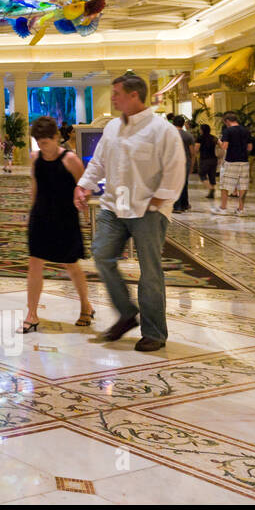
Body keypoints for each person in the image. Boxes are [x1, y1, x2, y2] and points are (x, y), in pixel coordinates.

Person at [74, 73, 186, 352]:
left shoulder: (162, 130)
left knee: (150, 271)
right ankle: (126, 313)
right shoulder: (112, 127)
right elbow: (99, 161)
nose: (112, 98)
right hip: (113, 206)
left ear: (134, 96)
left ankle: (155, 332)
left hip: (149, 208)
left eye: (116, 93)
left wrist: (161, 199)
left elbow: (175, 168)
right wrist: (84, 186)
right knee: (101, 255)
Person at [21, 116, 92, 332]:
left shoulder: (70, 160)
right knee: (35, 263)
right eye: (39, 143)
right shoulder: (36, 158)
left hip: (65, 218)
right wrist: (30, 215)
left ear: (56, 138)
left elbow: (84, 187)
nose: (43, 147)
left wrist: (86, 212)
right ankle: (32, 313)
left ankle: (86, 305)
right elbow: (35, 187)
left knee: (71, 264)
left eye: (46, 142)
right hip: (41, 216)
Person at [214, 111, 253, 215]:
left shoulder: (228, 131)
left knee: (225, 185)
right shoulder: (246, 131)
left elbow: (224, 146)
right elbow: (250, 147)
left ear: (227, 121)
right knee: (243, 185)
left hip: (231, 161)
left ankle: (223, 208)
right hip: (244, 161)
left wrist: (219, 142)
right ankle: (241, 209)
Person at [167, 114, 194, 213]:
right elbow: (192, 153)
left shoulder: (169, 134)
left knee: (175, 184)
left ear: (173, 123)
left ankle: (177, 206)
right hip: (185, 162)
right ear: (183, 124)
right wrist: (192, 165)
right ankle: (185, 204)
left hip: (173, 162)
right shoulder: (188, 135)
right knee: (184, 183)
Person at [196, 124, 219, 197]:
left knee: (202, 174)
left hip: (204, 159)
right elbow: (221, 146)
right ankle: (211, 193)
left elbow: (196, 149)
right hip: (214, 159)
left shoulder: (200, 138)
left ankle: (210, 188)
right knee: (212, 175)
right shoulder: (214, 138)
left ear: (202, 130)